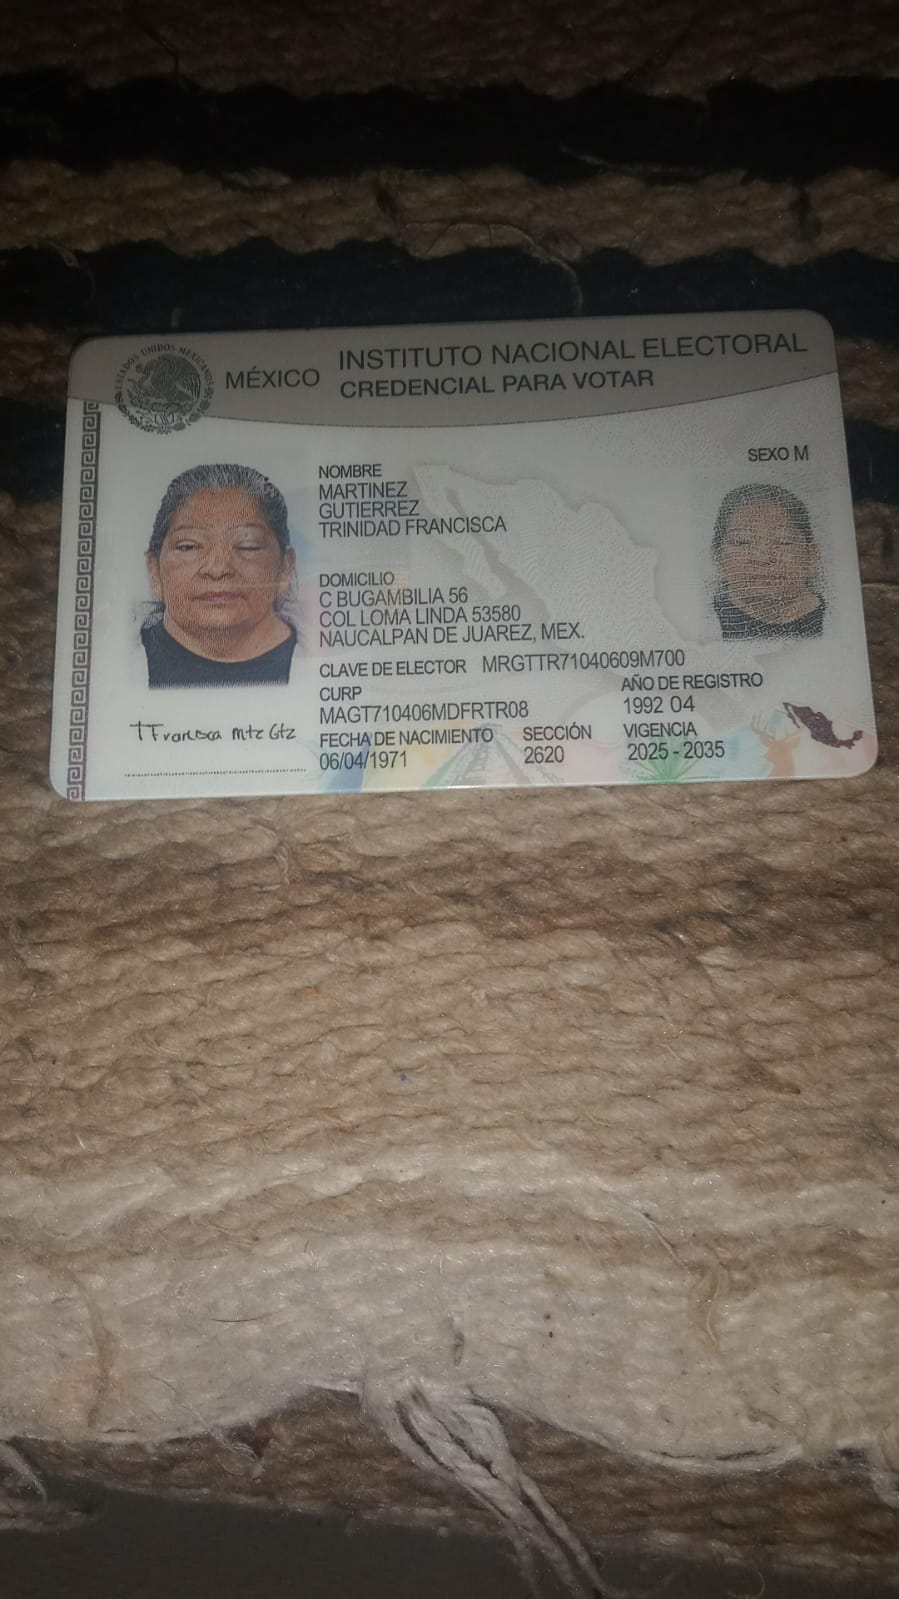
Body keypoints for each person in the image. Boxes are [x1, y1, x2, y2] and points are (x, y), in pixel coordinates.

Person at [141, 464, 297, 687]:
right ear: (155, 571)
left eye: (248, 546)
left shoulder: (319, 659)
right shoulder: (115, 662)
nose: (218, 569)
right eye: (189, 547)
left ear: (285, 569)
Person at [711, 484, 825, 640]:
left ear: (811, 557)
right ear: (718, 559)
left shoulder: (839, 619)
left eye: (783, 541)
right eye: (741, 541)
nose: (762, 558)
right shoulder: (701, 620)